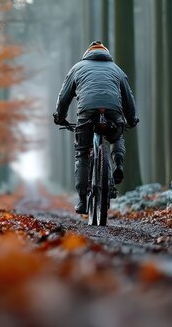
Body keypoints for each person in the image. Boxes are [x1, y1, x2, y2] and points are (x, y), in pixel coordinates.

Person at [53, 41, 139, 214]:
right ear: (106, 54)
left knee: (82, 154)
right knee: (116, 137)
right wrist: (131, 119)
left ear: (87, 54)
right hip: (113, 111)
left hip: (87, 111)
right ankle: (119, 164)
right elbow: (128, 97)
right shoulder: (117, 69)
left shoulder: (77, 68)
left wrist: (60, 117)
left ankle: (83, 201)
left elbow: (64, 96)